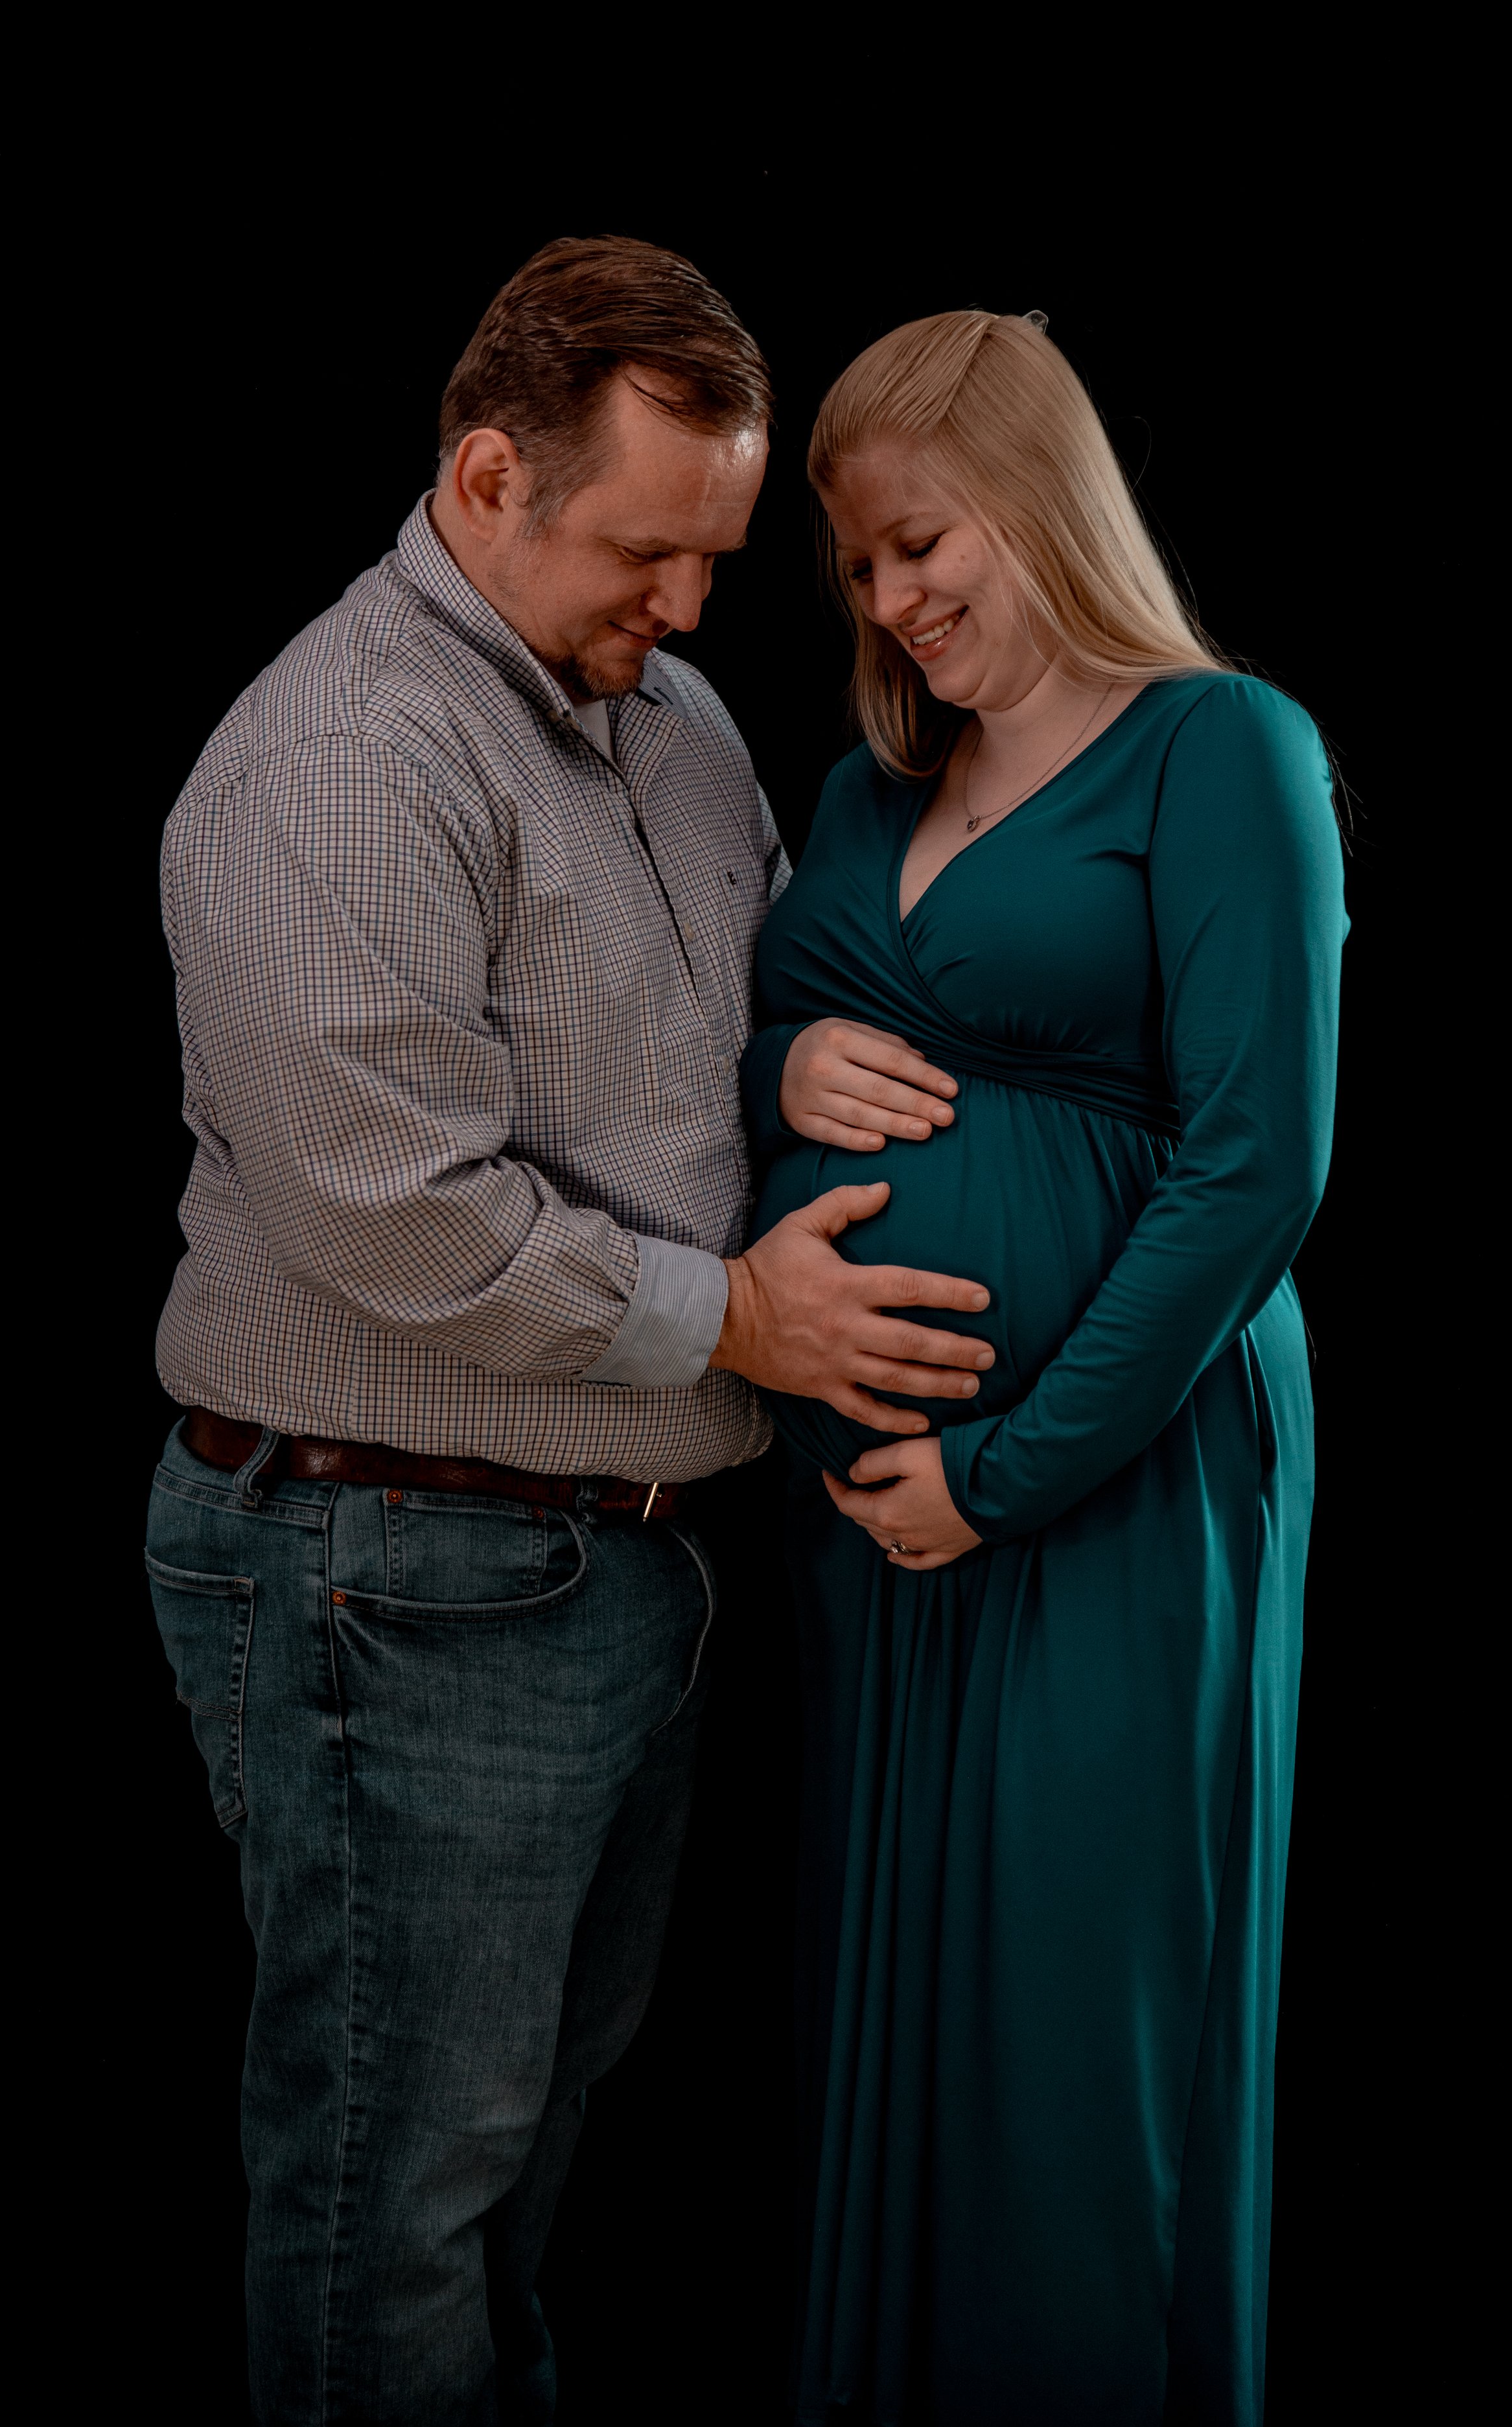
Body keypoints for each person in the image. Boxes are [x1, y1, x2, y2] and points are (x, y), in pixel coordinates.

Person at [144, 238, 994, 2426]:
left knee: (514, 2183)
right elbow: (389, 1202)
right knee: (395, 2191)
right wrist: (741, 1316)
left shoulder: (671, 724)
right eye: (647, 552)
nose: (691, 608)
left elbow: (719, 1026)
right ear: (489, 476)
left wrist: (793, 1062)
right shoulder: (350, 754)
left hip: (603, 1566)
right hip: (397, 1568)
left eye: (718, 558)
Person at [742, 308, 1346, 2425]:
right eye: (861, 568)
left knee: (1076, 2053)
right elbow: (763, 1048)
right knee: (900, 2019)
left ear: (1037, 496)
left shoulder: (1221, 750)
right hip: (874, 1538)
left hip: (1110, 1484)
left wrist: (1003, 1465)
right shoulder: (865, 786)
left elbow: (1256, 1162)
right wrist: (779, 1062)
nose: (893, 601)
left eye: (921, 543)